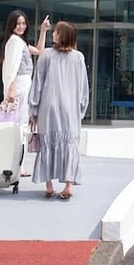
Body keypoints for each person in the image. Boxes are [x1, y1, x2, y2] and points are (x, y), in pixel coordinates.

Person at [28, 20, 89, 200]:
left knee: (47, 143)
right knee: (69, 144)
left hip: (49, 106)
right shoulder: (78, 57)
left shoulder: (46, 55)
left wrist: (33, 108)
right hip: (70, 108)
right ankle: (69, 185)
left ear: (62, 35)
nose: (53, 33)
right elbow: (83, 87)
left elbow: (38, 83)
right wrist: (81, 108)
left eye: (56, 31)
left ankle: (49, 185)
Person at [0, 9, 50, 176]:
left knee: (20, 125)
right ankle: (18, 166)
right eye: (18, 23)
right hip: (20, 86)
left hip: (23, 85)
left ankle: (16, 164)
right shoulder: (15, 42)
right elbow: (13, 68)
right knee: (20, 125)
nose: (21, 26)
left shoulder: (18, 42)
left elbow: (40, 51)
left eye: (23, 23)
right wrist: (12, 90)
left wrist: (43, 30)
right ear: (11, 25)